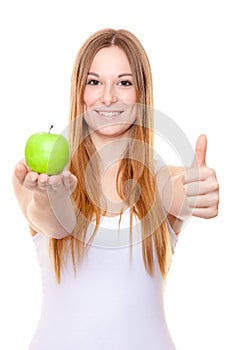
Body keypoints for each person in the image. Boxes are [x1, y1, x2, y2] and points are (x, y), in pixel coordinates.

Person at [13, 28, 219, 350]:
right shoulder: (36, 175)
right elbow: (54, 223)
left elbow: (177, 191)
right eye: (94, 82)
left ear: (141, 93)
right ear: (80, 91)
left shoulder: (162, 179)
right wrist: (51, 192)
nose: (108, 97)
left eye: (124, 83)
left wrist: (199, 190)